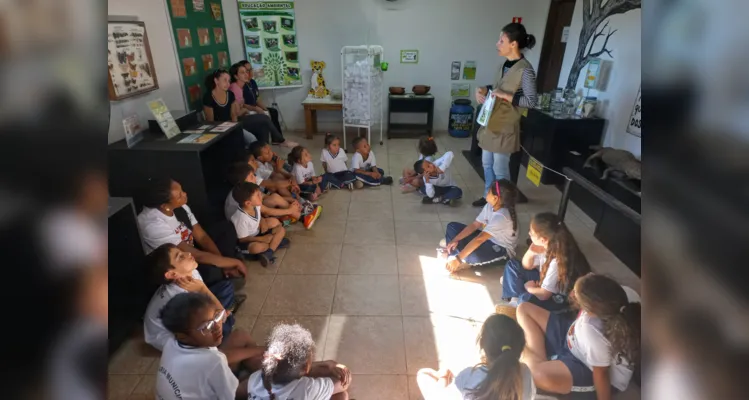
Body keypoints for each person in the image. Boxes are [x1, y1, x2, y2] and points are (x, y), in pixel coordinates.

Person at [517, 274, 641, 399]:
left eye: (576, 294)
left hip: (586, 367)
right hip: (575, 338)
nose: (571, 294)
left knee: (532, 374)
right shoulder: (623, 296)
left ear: (590, 309)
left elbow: (601, 374)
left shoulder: (593, 331)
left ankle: (542, 366)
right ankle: (545, 365)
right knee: (523, 309)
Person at [136, 177, 248, 290]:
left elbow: (202, 237)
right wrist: (236, 263)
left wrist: (224, 263)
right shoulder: (152, 225)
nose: (185, 194)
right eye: (179, 195)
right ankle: (223, 285)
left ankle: (228, 270)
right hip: (179, 263)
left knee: (225, 228)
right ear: (165, 206)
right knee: (210, 272)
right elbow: (196, 255)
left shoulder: (180, 206)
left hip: (191, 248)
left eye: (182, 190)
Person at [472, 23, 538, 208]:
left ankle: (503, 204)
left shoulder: (526, 69)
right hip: (491, 123)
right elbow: (497, 88)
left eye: (502, 40)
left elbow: (531, 101)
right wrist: (483, 90)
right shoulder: (504, 65)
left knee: (500, 170)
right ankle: (488, 197)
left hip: (506, 126)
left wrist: (505, 96)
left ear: (513, 44)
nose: (497, 44)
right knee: (486, 164)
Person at [156, 292, 266, 400]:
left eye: (217, 316)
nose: (217, 327)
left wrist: (260, 350)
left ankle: (259, 366)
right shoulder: (214, 361)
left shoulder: (171, 342)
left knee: (240, 336)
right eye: (207, 326)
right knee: (270, 377)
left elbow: (219, 357)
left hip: (196, 386)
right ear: (183, 336)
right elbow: (232, 396)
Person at [416, 314, 536, 400]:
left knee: (424, 374)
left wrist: (443, 379)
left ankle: (441, 377)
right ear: (519, 348)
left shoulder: (469, 375)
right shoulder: (526, 373)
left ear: (482, 344)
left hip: (455, 387)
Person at [143, 244, 237, 352]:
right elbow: (222, 315)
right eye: (181, 257)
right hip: (170, 338)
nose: (188, 254)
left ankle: (229, 315)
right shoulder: (179, 298)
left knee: (226, 287)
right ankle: (227, 326)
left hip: (187, 316)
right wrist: (202, 288)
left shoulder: (189, 272)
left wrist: (216, 310)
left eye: (182, 252)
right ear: (172, 274)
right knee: (222, 328)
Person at [501, 212, 591, 311]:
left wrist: (529, 288)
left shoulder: (557, 260)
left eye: (531, 232)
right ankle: (515, 301)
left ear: (543, 240)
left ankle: (518, 302)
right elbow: (526, 266)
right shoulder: (546, 245)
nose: (529, 234)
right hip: (545, 280)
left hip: (559, 297)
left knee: (525, 298)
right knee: (512, 265)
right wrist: (531, 252)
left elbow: (544, 295)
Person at [247, 324, 352, 399]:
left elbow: (239, 391)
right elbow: (343, 383)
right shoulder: (307, 389)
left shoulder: (255, 379)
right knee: (342, 395)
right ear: (305, 367)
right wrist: (331, 366)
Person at [440, 179, 518, 272]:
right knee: (452, 226)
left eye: (489, 192)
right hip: (486, 239)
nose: (486, 193)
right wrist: (455, 240)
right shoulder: (490, 205)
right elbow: (475, 225)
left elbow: (479, 239)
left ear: (495, 198)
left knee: (471, 256)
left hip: (500, 249)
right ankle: (453, 254)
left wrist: (458, 259)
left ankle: (456, 258)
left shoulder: (501, 217)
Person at [229, 61, 298, 148]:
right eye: (243, 72)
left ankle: (265, 148)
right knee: (264, 118)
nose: (247, 74)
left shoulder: (246, 85)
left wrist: (264, 109)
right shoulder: (235, 88)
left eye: (248, 71)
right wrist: (249, 110)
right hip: (239, 118)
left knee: (267, 117)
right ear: (235, 76)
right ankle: (280, 140)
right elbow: (237, 112)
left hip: (246, 113)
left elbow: (256, 98)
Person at [226, 162, 315, 229]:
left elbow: (265, 197)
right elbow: (267, 211)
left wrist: (289, 199)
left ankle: (299, 211)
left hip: (255, 215)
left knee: (276, 197)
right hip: (247, 225)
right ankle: (302, 217)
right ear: (241, 182)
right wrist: (289, 210)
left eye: (253, 175)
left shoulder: (247, 188)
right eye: (251, 176)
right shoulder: (244, 194)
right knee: (274, 220)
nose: (255, 178)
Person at [230, 182, 290, 267]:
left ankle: (269, 252)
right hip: (249, 240)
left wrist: (263, 221)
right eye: (258, 195)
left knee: (280, 228)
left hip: (258, 231)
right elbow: (242, 239)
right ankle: (274, 244)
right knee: (257, 248)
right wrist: (262, 239)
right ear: (248, 203)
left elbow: (259, 216)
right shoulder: (241, 218)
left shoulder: (255, 205)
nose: (261, 195)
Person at [202, 68, 258, 147]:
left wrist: (235, 128)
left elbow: (233, 115)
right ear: (216, 81)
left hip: (231, 126)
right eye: (225, 80)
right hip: (219, 130)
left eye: (229, 81)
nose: (228, 84)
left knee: (252, 139)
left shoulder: (230, 94)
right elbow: (210, 121)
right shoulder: (208, 97)